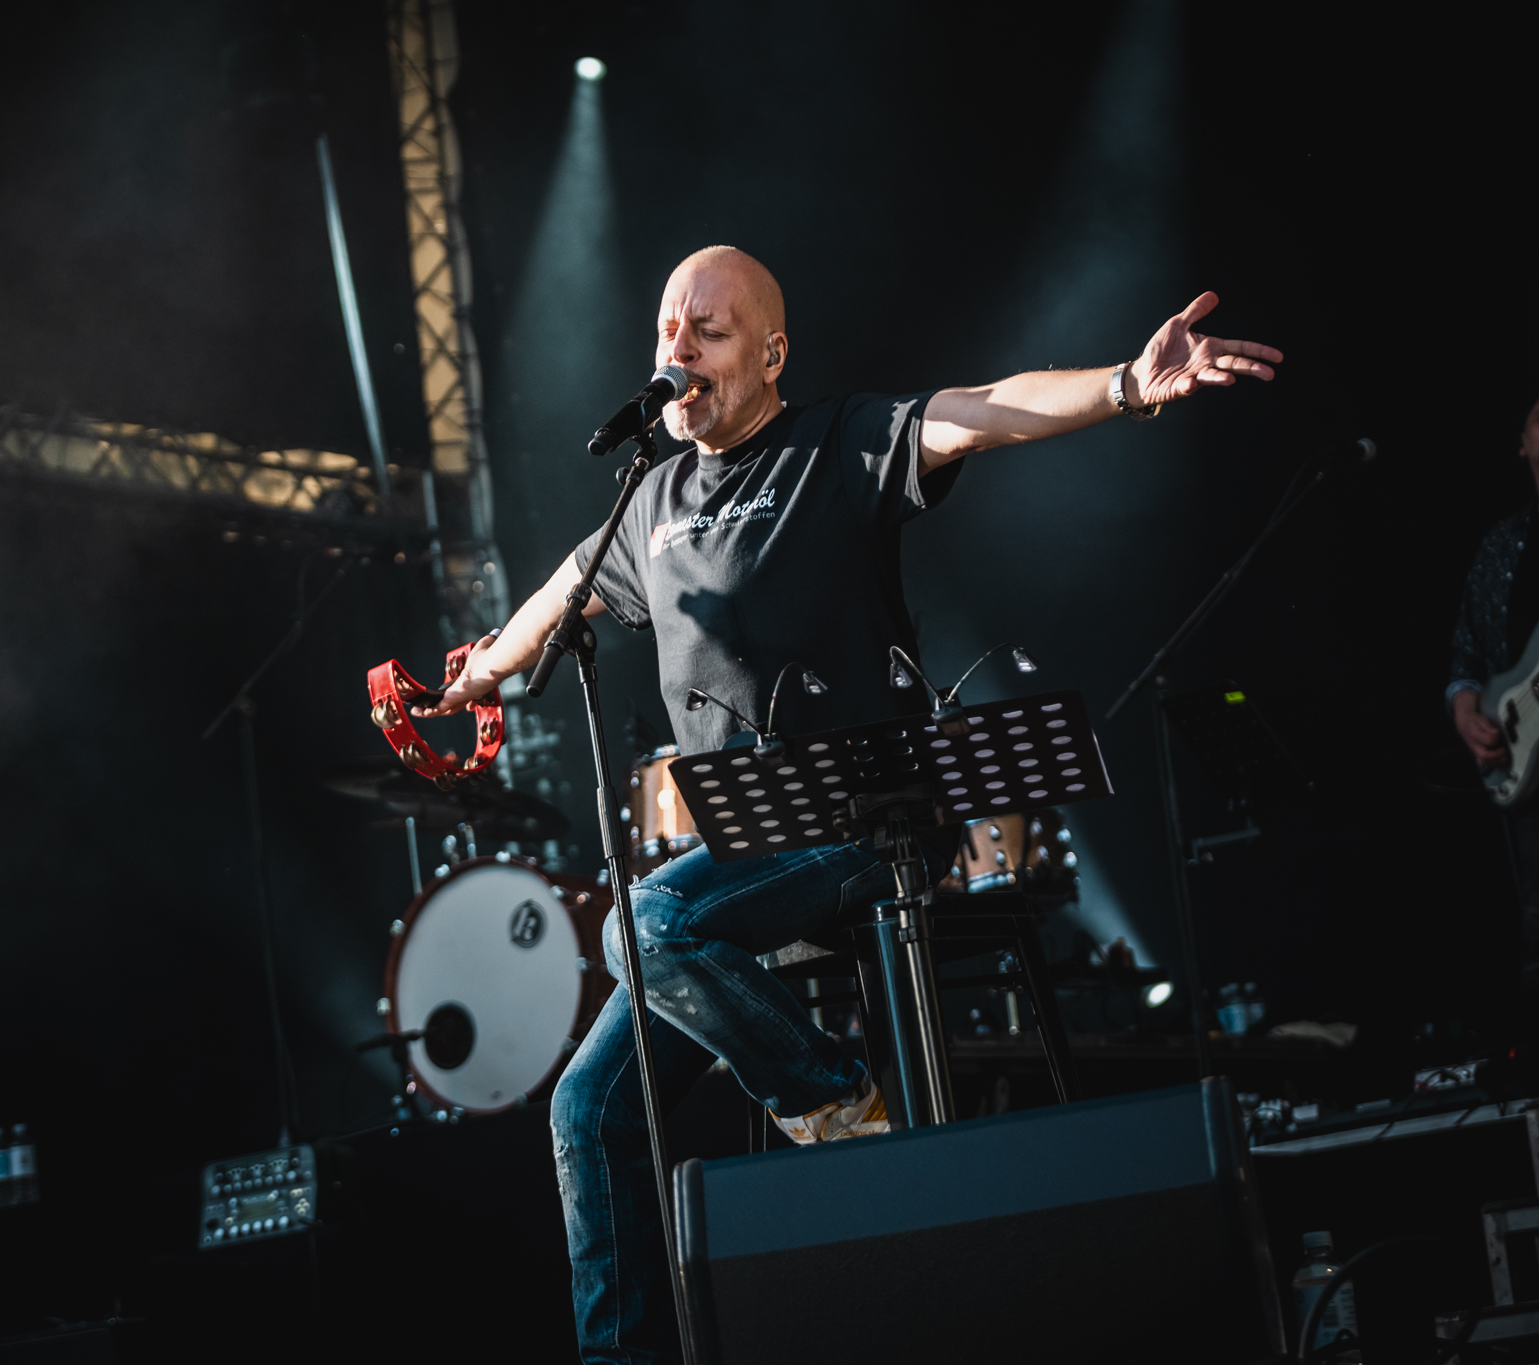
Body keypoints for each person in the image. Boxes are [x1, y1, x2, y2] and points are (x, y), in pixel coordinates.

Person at [415, 246, 1281, 1363]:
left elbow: (979, 411)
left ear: (771, 354)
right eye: (668, 331)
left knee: (650, 920)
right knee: (584, 1111)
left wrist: (1121, 383)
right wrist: (479, 670)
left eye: (708, 332)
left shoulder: (835, 441)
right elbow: (558, 593)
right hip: (741, 840)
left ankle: (836, 1104)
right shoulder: (650, 501)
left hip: (860, 820)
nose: (677, 352)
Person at [1447, 395, 1539, 1065]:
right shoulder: (1504, 543)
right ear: (1522, 445)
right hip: (1524, 765)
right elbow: (1467, 657)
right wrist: (1465, 709)